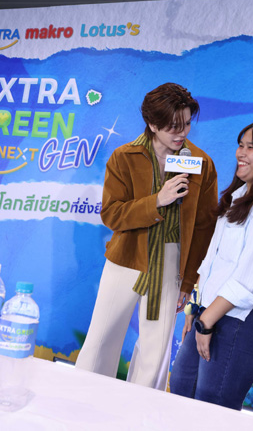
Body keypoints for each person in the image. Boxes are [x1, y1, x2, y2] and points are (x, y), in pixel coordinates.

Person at [75, 83, 219, 390]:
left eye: (187, 124)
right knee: (100, 341)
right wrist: (157, 201)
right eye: (173, 127)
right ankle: (83, 399)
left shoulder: (202, 163)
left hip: (172, 261)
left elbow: (205, 227)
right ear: (152, 124)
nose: (182, 133)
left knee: (156, 352)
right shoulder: (124, 156)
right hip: (126, 257)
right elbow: (112, 214)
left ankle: (139, 412)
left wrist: (188, 281)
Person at [170, 119, 253, 410]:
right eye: (240, 145)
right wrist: (196, 307)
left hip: (249, 318)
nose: (240, 153)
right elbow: (213, 261)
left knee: (212, 402)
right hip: (212, 310)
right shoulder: (238, 195)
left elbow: (249, 278)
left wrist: (207, 320)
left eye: (251, 147)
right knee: (181, 387)